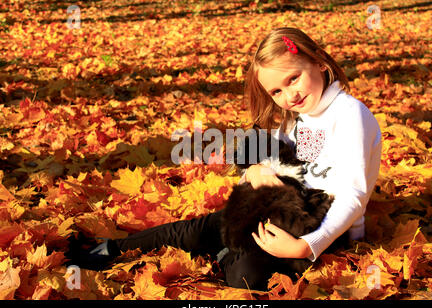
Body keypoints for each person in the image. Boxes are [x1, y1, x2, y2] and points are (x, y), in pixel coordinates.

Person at [66, 27, 382, 291]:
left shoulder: (349, 114)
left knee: (246, 278)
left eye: (293, 79)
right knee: (194, 230)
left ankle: (225, 254)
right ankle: (111, 248)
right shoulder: (295, 117)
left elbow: (353, 194)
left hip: (322, 232)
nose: (290, 96)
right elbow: (268, 160)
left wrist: (306, 246)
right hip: (280, 210)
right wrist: (257, 170)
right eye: (276, 92)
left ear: (319, 63)